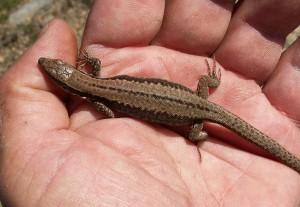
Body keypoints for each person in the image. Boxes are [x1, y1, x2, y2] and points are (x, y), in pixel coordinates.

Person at [0, 1, 299, 206]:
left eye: (55, 66)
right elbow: (95, 64)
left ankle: (203, 136)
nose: (49, 63)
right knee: (205, 95)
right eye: (55, 67)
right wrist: (87, 60)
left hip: (195, 115)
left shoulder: (98, 101)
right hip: (196, 100)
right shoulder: (96, 78)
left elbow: (107, 114)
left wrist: (199, 136)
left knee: (197, 134)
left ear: (67, 82)